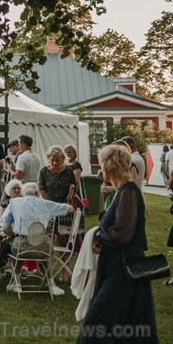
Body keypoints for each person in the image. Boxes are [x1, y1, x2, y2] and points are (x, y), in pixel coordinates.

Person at [78, 144, 158, 342]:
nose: (100, 170)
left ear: (108, 167)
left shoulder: (128, 191)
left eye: (102, 165)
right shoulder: (121, 191)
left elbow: (123, 234)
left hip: (123, 270)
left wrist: (98, 237)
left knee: (97, 324)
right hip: (116, 266)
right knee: (125, 325)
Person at [0, 181, 73, 295]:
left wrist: (15, 234)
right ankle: (51, 285)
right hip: (43, 247)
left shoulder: (14, 202)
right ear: (37, 192)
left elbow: (5, 228)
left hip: (21, 247)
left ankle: (17, 284)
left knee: (16, 250)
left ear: (23, 193)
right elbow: (70, 209)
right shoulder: (45, 203)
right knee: (45, 255)